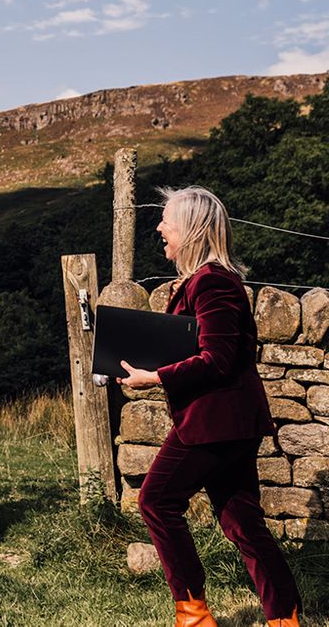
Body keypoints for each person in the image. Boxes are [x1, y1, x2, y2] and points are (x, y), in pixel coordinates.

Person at [118, 186, 300, 627]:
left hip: (213, 422)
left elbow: (216, 358)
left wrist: (156, 377)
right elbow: (197, 349)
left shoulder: (213, 281)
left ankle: (193, 616)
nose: (160, 227)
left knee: (156, 501)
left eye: (168, 221)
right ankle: (285, 618)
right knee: (242, 522)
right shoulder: (205, 280)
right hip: (230, 421)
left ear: (193, 230)